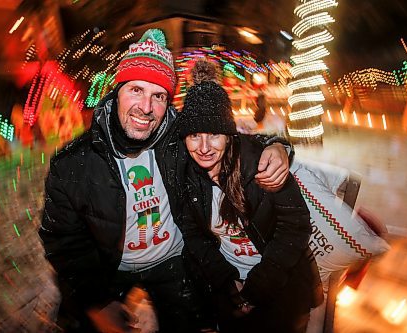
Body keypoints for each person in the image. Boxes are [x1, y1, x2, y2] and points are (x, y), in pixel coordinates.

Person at [39, 29, 292, 333]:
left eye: (158, 96)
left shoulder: (181, 138)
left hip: (174, 260)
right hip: (109, 268)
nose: (145, 108)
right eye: (136, 90)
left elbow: (235, 139)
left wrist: (278, 147)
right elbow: (64, 241)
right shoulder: (73, 164)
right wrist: (96, 300)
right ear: (117, 91)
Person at [176, 62, 323, 333]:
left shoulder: (262, 164)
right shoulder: (186, 175)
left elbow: (296, 224)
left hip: (279, 281)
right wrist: (229, 283)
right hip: (227, 285)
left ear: (229, 134)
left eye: (214, 134)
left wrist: (258, 287)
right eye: (195, 135)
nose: (204, 147)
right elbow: (192, 233)